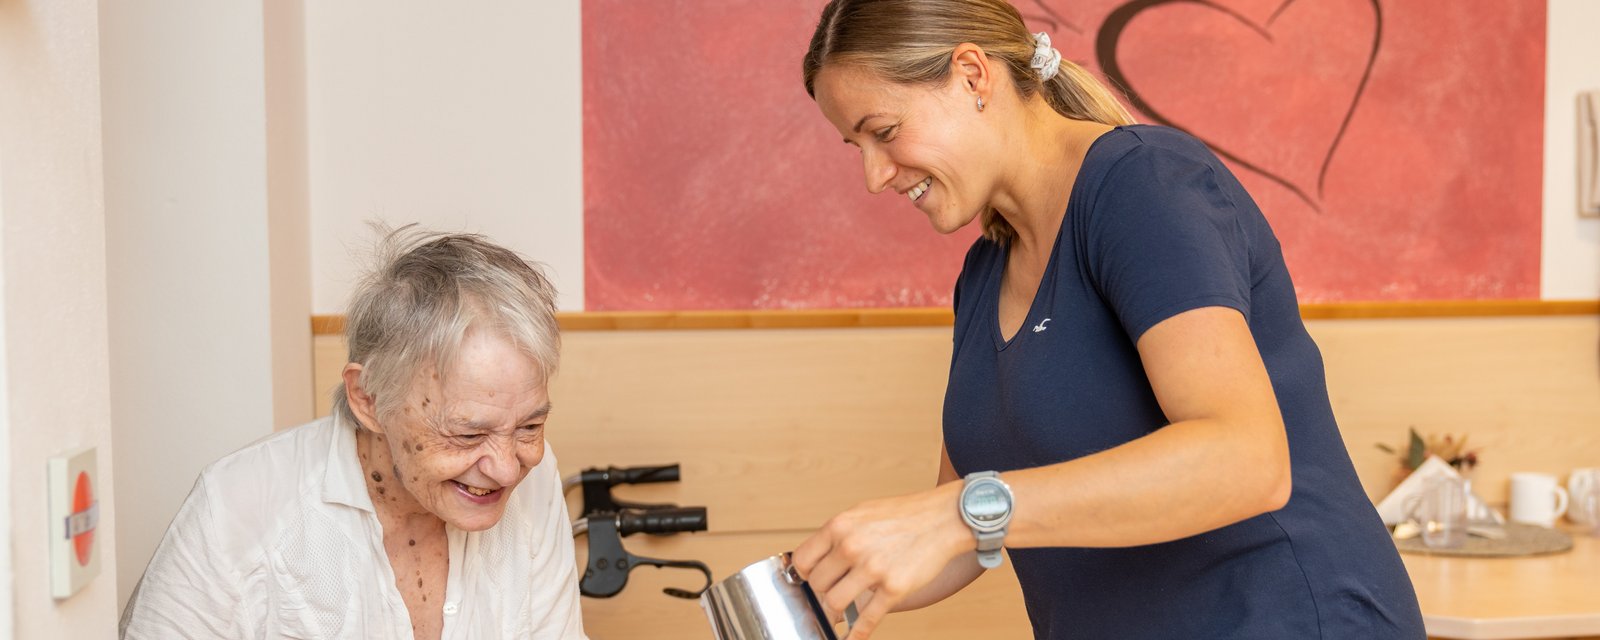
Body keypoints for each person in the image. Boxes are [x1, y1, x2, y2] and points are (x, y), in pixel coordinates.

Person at [790, 1, 1426, 638]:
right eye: (857, 146)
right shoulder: (986, 271)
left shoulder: (1140, 183)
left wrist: (957, 515)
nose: (875, 176)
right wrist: (810, 589)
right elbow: (957, 535)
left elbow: (1247, 459)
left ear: (972, 75)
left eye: (885, 131)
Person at [121, 226, 587, 639]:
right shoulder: (239, 505)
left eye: (530, 426)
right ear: (368, 398)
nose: (507, 468)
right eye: (467, 435)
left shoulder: (535, 477)